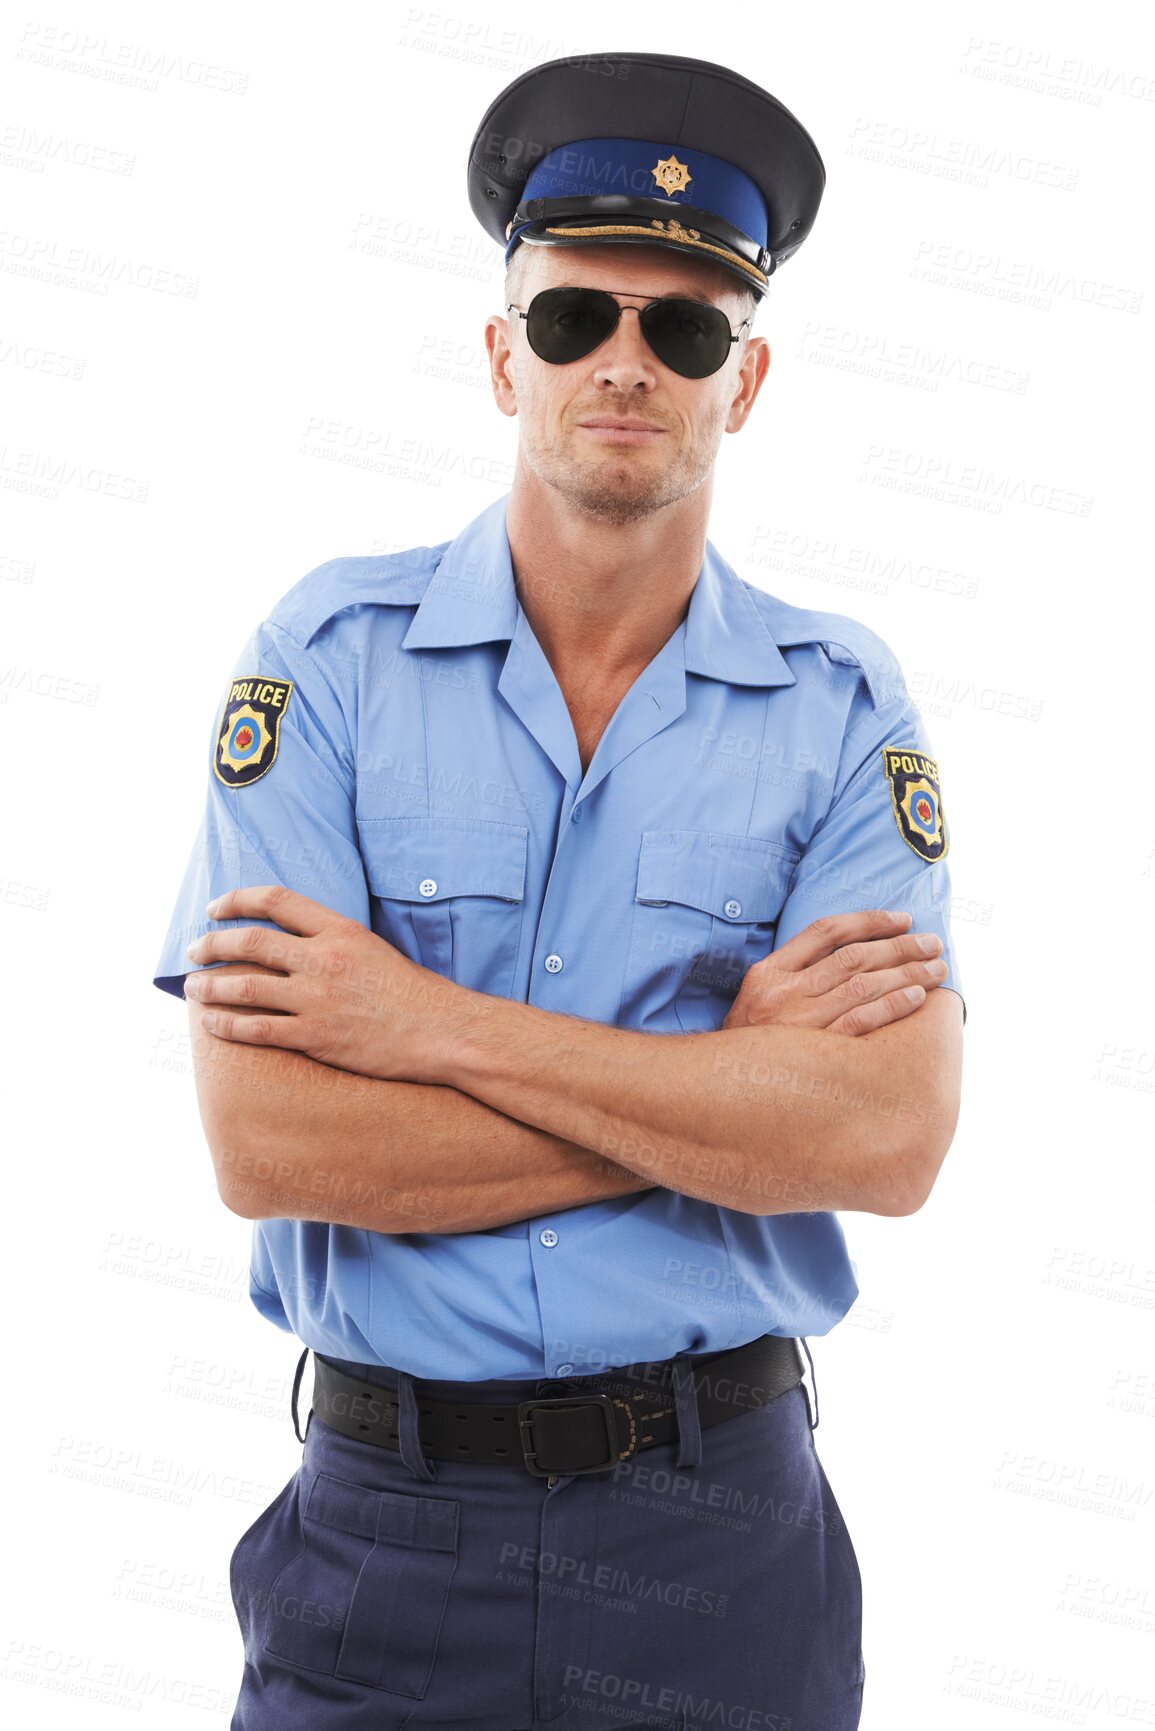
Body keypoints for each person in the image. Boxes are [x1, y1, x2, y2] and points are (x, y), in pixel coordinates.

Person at [153, 50, 965, 1731]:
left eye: (682, 330)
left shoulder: (843, 705)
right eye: (575, 316)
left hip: (723, 1536)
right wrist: (727, 1097)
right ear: (499, 352)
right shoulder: (326, 662)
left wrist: (420, 1026)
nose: (623, 364)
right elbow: (275, 1146)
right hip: (385, 1533)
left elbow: (882, 1143)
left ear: (742, 382)